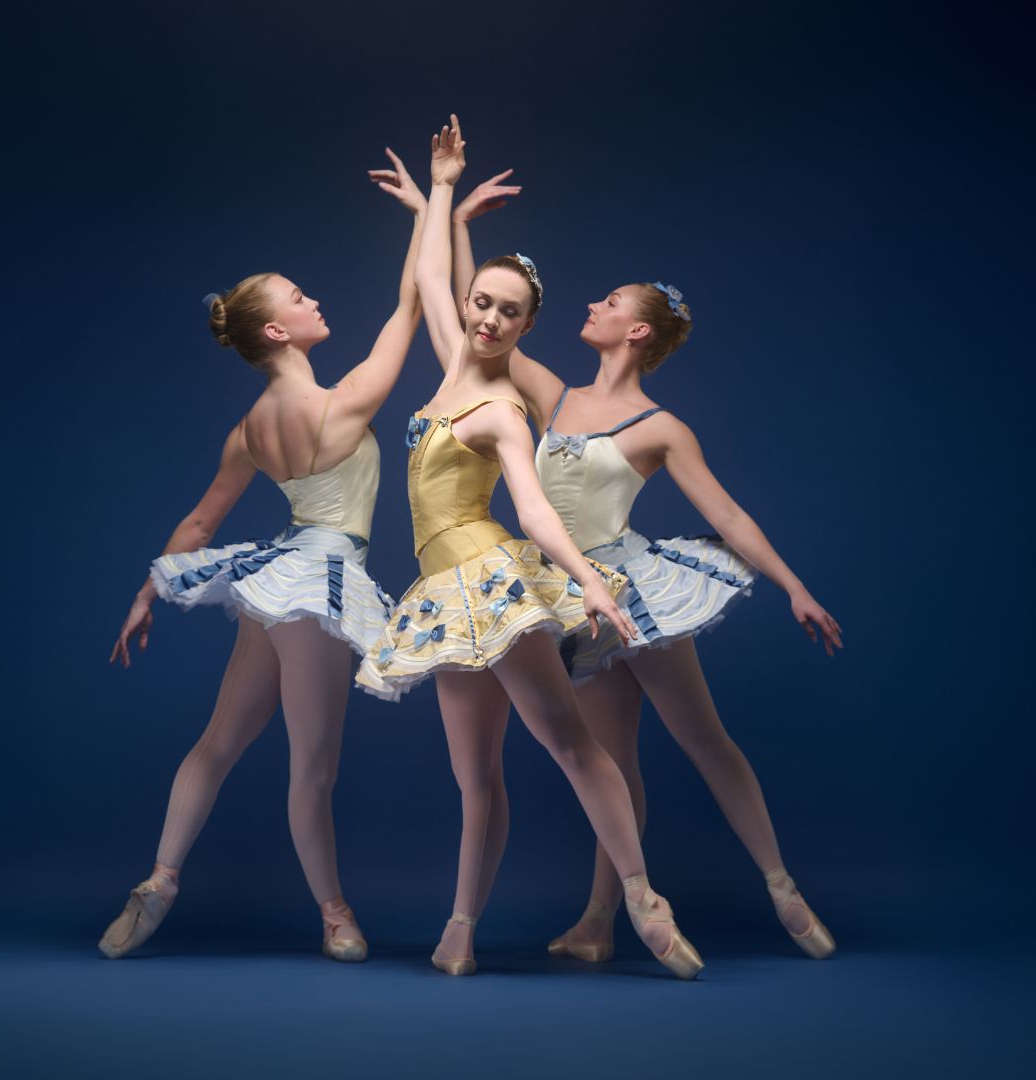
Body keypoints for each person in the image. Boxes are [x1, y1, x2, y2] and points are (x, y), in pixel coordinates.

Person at [435, 162, 846, 961]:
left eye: (610, 304)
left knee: (705, 740)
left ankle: (782, 888)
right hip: (568, 596)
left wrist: (794, 586)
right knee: (610, 761)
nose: (591, 305)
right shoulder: (551, 395)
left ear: (638, 333)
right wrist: (459, 223)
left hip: (633, 588)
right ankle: (598, 923)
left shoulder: (662, 427)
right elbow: (476, 311)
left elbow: (725, 513)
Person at [357, 116, 703, 979]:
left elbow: (535, 510)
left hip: (490, 578)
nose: (488, 318)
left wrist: (590, 582)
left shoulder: (503, 411)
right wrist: (439, 191)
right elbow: (434, 274)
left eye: (509, 313)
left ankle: (640, 896)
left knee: (570, 744)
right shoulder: (446, 369)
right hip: (444, 590)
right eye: (484, 303)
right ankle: (461, 929)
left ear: (523, 327)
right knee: (474, 776)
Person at [100, 162, 427, 962]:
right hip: (314, 586)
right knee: (311, 765)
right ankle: (336, 915)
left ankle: (162, 878)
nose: (314, 300)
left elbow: (202, 519)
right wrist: (429, 208)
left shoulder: (250, 427)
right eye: (298, 297)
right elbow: (413, 304)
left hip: (274, 580)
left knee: (219, 741)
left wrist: (148, 592)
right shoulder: (342, 403)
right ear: (278, 333)